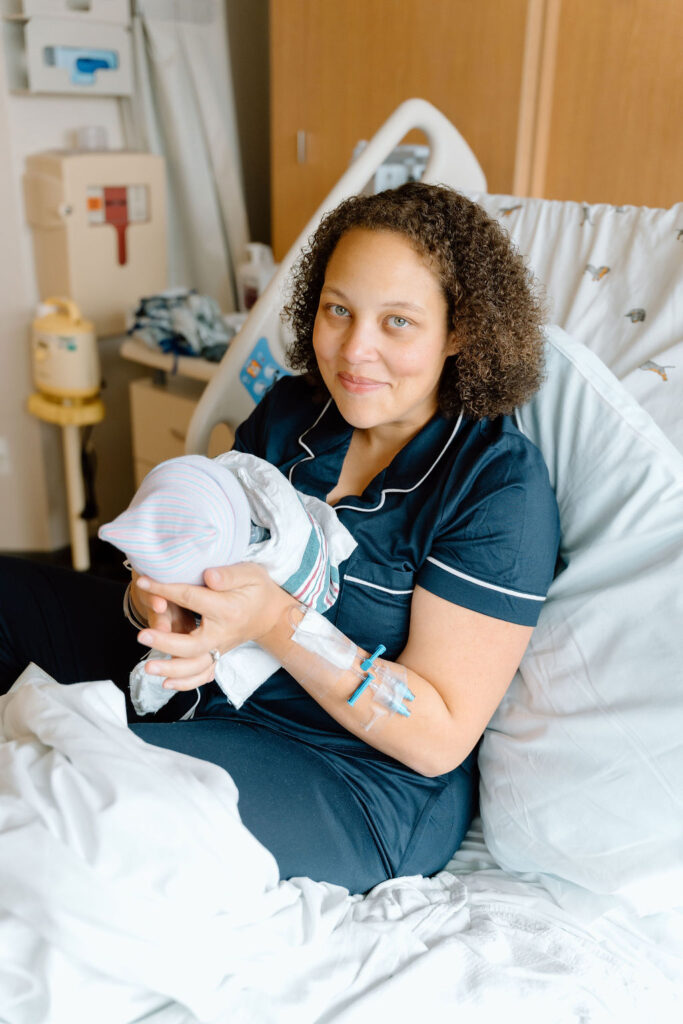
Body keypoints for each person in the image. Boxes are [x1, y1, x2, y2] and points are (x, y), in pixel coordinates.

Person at [0, 183, 560, 895]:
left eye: (397, 322)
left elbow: (439, 735)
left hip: (350, 771)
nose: (354, 350)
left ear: (460, 332)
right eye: (338, 310)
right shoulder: (296, 411)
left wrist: (273, 621)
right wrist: (160, 603)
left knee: (75, 792)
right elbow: (210, 563)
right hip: (214, 688)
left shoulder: (495, 486)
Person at [98, 450, 356, 714]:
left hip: (287, 720)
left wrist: (270, 619)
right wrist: (151, 597)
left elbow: (385, 720)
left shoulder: (284, 543)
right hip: (187, 671)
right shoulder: (274, 431)